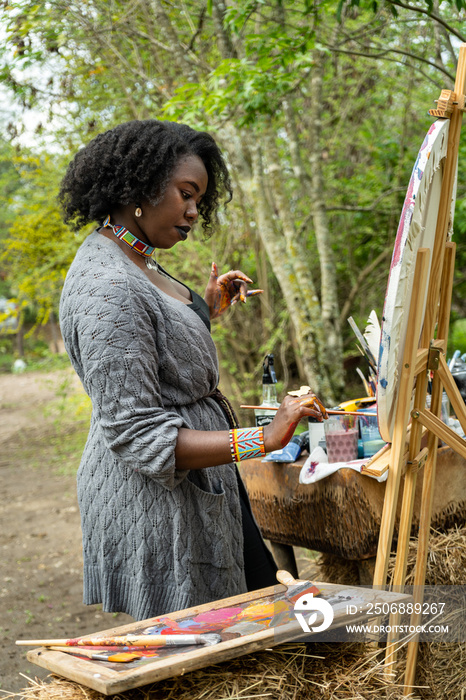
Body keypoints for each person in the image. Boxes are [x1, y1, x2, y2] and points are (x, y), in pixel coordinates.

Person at [58, 119, 326, 621]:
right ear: (139, 188)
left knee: (260, 609)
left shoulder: (136, 256)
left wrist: (203, 311)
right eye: (186, 193)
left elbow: (157, 352)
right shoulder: (108, 285)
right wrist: (263, 440)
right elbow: (139, 433)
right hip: (160, 504)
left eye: (199, 198)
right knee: (218, 639)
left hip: (206, 485)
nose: (194, 211)